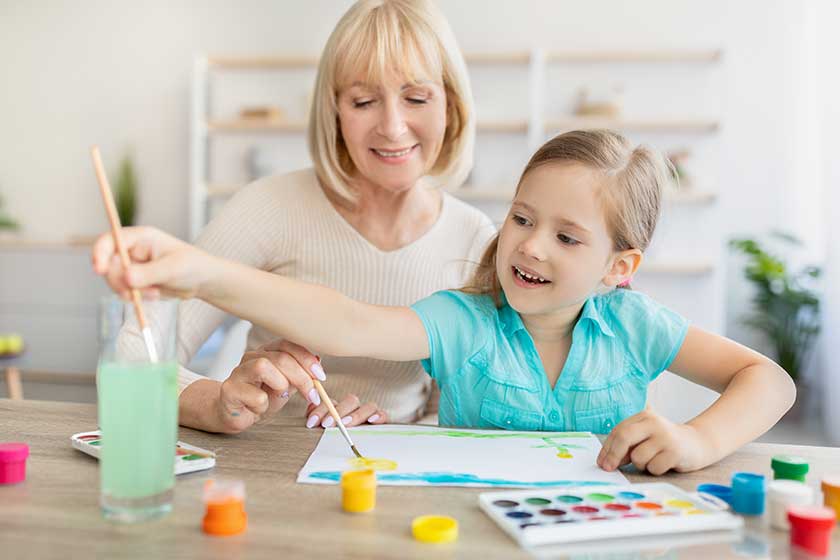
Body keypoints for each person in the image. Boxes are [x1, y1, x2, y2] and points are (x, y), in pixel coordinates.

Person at [93, 129, 796, 475]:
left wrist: (699, 439)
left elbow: (768, 379)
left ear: (619, 267)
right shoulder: (464, 320)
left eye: (566, 236)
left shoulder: (637, 325)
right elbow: (345, 320)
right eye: (522, 219)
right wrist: (200, 271)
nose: (530, 247)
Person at [114, 0, 495, 434]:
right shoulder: (269, 208)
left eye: (416, 97)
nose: (392, 126)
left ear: (453, 106)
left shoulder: (475, 241)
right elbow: (132, 355)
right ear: (334, 112)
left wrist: (402, 431)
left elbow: (459, 414)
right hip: (266, 476)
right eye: (364, 100)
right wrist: (217, 403)